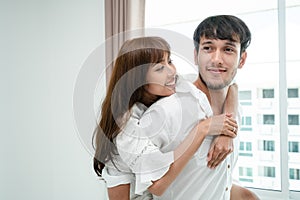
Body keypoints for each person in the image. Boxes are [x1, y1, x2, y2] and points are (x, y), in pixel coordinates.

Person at [93, 36, 238, 199]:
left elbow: (231, 86)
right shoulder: (128, 128)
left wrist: (227, 134)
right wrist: (202, 129)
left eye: (170, 61)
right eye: (159, 68)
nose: (171, 71)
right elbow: (158, 186)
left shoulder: (174, 86)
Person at [192, 15, 259, 199]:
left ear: (242, 60)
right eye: (208, 48)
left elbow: (220, 181)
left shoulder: (237, 108)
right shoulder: (177, 108)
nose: (216, 59)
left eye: (228, 49)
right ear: (196, 55)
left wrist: (226, 129)